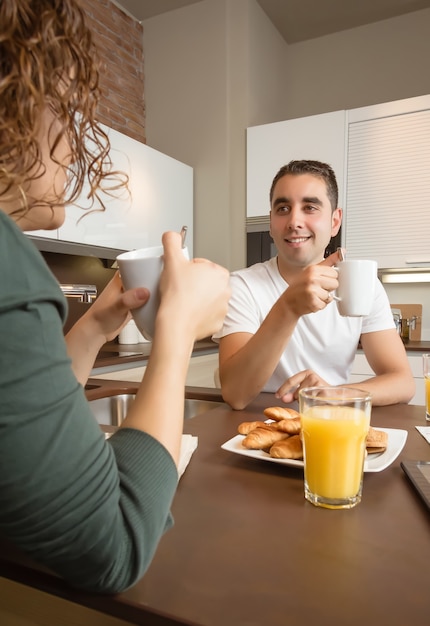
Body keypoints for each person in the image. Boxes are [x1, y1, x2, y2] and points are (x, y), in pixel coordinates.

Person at [0, 0, 230, 594]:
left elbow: (19, 422)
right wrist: (175, 330)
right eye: (68, 112)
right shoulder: (9, 263)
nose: (77, 147)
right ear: (15, 98)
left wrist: (93, 328)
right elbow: (113, 544)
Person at [213, 159, 414, 410]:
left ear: (334, 221)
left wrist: (332, 394)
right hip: (256, 424)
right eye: (283, 208)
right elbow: (236, 394)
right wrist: (288, 307)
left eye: (309, 207)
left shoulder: (363, 285)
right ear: (271, 224)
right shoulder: (242, 285)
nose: (294, 221)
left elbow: (402, 382)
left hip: (331, 421)